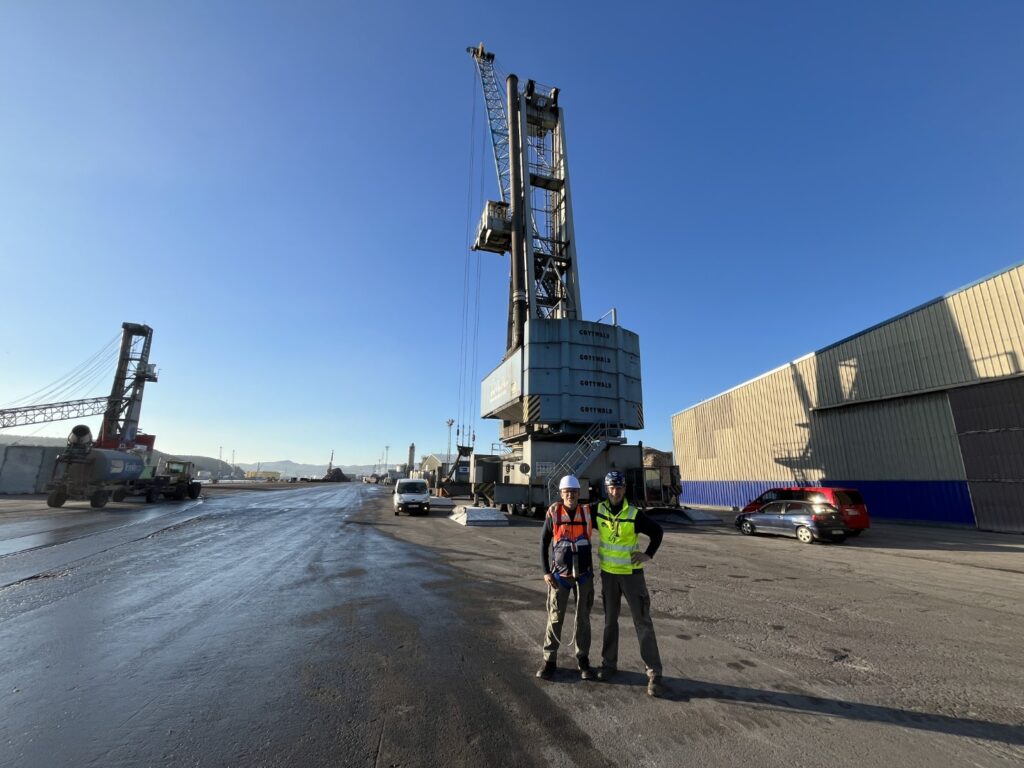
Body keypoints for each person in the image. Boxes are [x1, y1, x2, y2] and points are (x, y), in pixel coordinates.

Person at [594, 470, 666, 697]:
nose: (615, 491)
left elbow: (657, 531)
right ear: (606, 489)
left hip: (632, 576)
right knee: (609, 622)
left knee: (642, 622)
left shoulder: (634, 514)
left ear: (624, 489)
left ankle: (654, 672)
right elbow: (571, 508)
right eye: (612, 487)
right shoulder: (598, 510)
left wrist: (648, 554)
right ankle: (608, 664)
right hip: (608, 576)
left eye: (619, 487)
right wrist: (554, 508)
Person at [536, 474, 596, 681]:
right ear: (561, 494)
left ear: (579, 494)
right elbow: (544, 543)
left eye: (574, 492)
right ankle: (549, 660)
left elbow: (611, 507)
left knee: (583, 620)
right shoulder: (553, 513)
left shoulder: (588, 512)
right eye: (566, 492)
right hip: (559, 576)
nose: (570, 495)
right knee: (555, 618)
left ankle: (583, 660)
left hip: (584, 576)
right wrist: (545, 571)